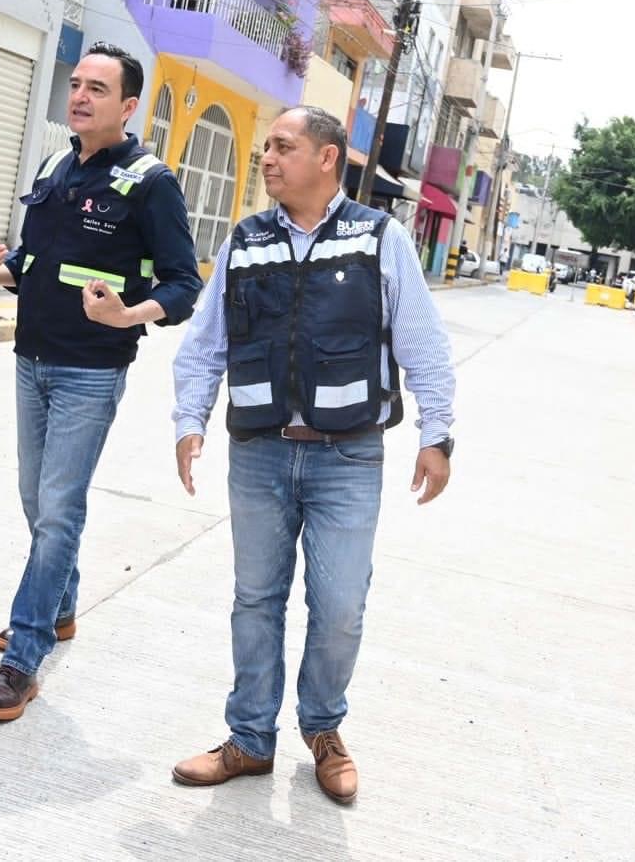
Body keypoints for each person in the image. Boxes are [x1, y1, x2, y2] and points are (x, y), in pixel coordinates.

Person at [169, 105, 456, 806]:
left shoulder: (379, 239)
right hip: (261, 454)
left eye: (282, 147)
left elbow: (422, 343)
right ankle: (248, 739)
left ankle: (324, 730)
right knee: (256, 600)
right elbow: (206, 342)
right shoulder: (247, 240)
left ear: (327, 159)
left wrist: (437, 435)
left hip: (347, 457)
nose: (267, 158)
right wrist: (189, 419)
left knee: (339, 607)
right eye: (265, 147)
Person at [0, 43, 202, 722]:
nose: (80, 96)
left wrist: (130, 313)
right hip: (31, 358)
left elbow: (185, 285)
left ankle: (23, 655)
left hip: (90, 371)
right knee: (36, 499)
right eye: (76, 84)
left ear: (129, 106)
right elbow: (37, 263)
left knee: (58, 507)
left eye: (97, 88)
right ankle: (59, 608)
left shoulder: (151, 182)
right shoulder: (55, 163)